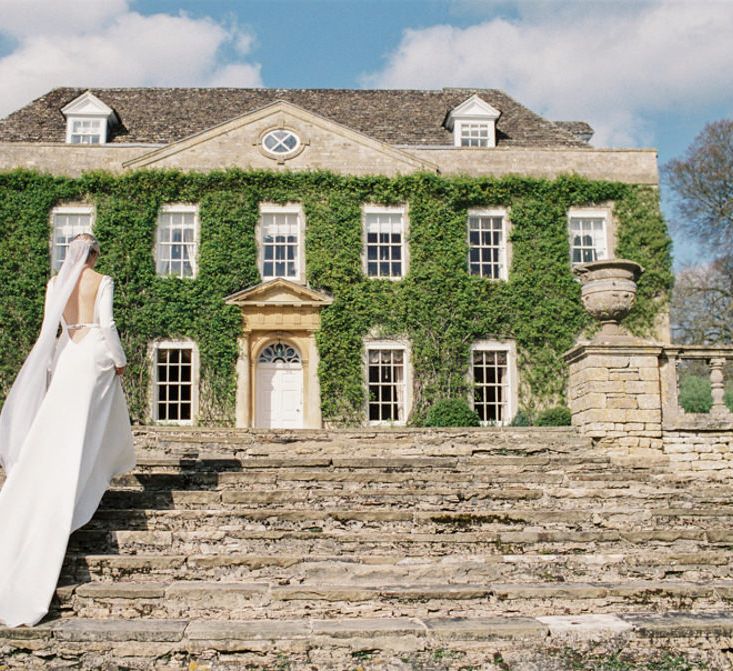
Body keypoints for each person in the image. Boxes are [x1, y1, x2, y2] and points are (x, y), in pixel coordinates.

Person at [0, 233, 135, 627]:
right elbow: (106, 323)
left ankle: (73, 473)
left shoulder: (54, 284)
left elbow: (51, 329)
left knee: (59, 424)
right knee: (84, 426)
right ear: (94, 255)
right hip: (92, 351)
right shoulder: (101, 280)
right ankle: (90, 475)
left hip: (66, 353)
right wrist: (119, 359)